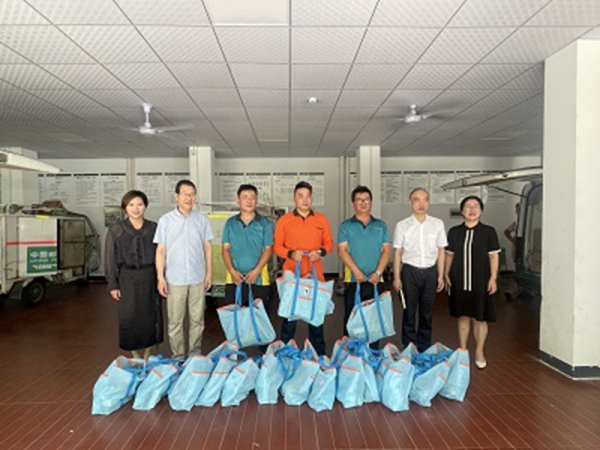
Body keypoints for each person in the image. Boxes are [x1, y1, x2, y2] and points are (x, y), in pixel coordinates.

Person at [154, 180, 214, 360]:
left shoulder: (202, 220)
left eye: (192, 194)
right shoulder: (165, 220)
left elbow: (208, 248)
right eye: (185, 194)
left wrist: (209, 273)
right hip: (175, 278)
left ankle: (195, 354)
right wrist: (160, 278)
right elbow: (160, 251)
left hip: (197, 277)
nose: (189, 198)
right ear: (177, 196)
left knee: (198, 320)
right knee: (175, 321)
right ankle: (178, 357)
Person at [274, 181, 334, 355]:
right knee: (289, 317)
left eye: (308, 196)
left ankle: (319, 356)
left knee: (316, 317)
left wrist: (320, 252)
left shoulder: (321, 219)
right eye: (300, 196)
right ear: (294, 199)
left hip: (315, 274)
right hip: (292, 274)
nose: (305, 200)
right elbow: (277, 246)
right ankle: (285, 354)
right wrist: (291, 254)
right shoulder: (284, 221)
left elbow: (329, 243)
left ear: (312, 198)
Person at [104, 190, 163, 361]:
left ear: (145, 206)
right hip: (127, 278)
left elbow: (162, 254)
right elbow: (109, 257)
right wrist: (112, 284)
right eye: (131, 205)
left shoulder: (154, 228)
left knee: (150, 315)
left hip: (149, 276)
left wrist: (161, 278)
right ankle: (134, 353)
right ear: (125, 208)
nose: (136, 209)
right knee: (129, 316)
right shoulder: (116, 230)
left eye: (139, 204)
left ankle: (147, 353)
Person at [444, 196, 500, 369]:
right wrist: (445, 274)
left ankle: (479, 351)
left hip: (481, 281)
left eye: (476, 206)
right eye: (468, 206)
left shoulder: (489, 231)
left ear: (481, 211)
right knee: (463, 315)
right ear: (462, 211)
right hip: (459, 280)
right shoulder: (454, 232)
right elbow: (449, 255)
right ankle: (462, 350)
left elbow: (493, 256)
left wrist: (493, 278)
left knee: (479, 318)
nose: (472, 209)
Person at [393, 188, 447, 352]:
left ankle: (424, 347)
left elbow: (441, 251)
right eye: (417, 200)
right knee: (409, 311)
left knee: (427, 312)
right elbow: (398, 252)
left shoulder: (437, 224)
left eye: (425, 200)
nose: (421, 204)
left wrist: (441, 276)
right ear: (410, 202)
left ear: (428, 202)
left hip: (431, 272)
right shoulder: (402, 225)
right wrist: (396, 277)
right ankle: (409, 348)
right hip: (409, 272)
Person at [338, 185, 391, 349]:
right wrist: (357, 272)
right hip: (354, 280)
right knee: (352, 317)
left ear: (371, 203)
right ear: (353, 203)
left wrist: (378, 272)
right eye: (359, 200)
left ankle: (373, 352)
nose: (363, 203)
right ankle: (352, 353)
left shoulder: (380, 225)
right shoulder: (346, 225)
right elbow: (342, 251)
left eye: (366, 200)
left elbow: (386, 251)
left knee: (374, 318)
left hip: (376, 280)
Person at [222, 184, 274, 351]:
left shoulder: (265, 223)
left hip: (259, 279)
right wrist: (232, 271)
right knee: (234, 320)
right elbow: (225, 249)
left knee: (260, 319)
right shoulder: (230, 223)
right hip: (234, 279)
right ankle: (234, 356)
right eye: (245, 197)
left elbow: (268, 249)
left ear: (256, 200)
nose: (249, 201)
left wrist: (256, 271)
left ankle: (264, 358)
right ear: (238, 200)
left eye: (252, 197)